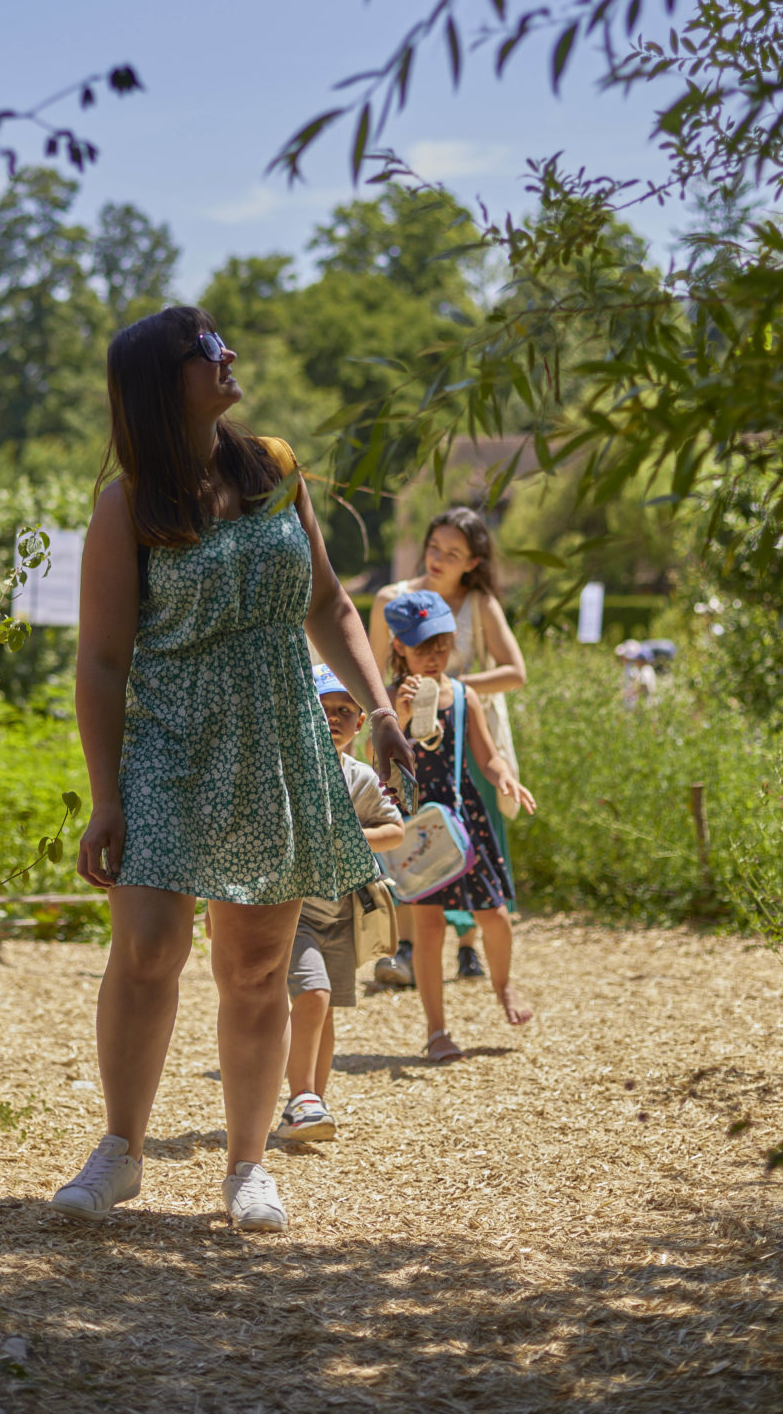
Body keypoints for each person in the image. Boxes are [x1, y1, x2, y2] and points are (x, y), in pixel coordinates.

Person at [50, 306, 414, 1233]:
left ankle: (247, 1165)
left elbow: (331, 604)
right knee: (145, 951)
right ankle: (121, 1152)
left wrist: (377, 707)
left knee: (256, 966)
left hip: (274, 741)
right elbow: (99, 663)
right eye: (205, 349)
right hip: (168, 744)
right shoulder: (128, 504)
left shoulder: (274, 471)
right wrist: (104, 796)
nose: (229, 356)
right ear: (159, 381)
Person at [369, 506, 526, 987]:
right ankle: (412, 947)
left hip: (462, 730)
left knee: (467, 834)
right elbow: (373, 670)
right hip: (405, 733)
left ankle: (466, 946)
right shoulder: (393, 598)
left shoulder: (478, 603)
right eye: (434, 547)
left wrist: (449, 689)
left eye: (452, 553)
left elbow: (516, 672)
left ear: (473, 561)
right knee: (412, 835)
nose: (437, 558)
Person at [383, 590, 535, 1061]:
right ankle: (436, 1030)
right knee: (428, 929)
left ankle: (504, 986)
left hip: (464, 815)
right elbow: (379, 760)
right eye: (423, 647)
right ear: (399, 647)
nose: (434, 656)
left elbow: (486, 755)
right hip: (421, 821)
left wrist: (505, 776)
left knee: (496, 915)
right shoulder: (390, 700)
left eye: (443, 645)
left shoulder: (465, 695)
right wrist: (402, 717)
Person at [278, 666, 405, 1146]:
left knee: (325, 1008)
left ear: (359, 724)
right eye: (322, 708)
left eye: (344, 711)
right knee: (312, 997)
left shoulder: (363, 777)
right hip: (293, 910)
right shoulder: (287, 771)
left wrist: (349, 837)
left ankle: (313, 1104)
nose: (333, 718)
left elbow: (394, 830)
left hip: (342, 913)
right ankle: (301, 1097)